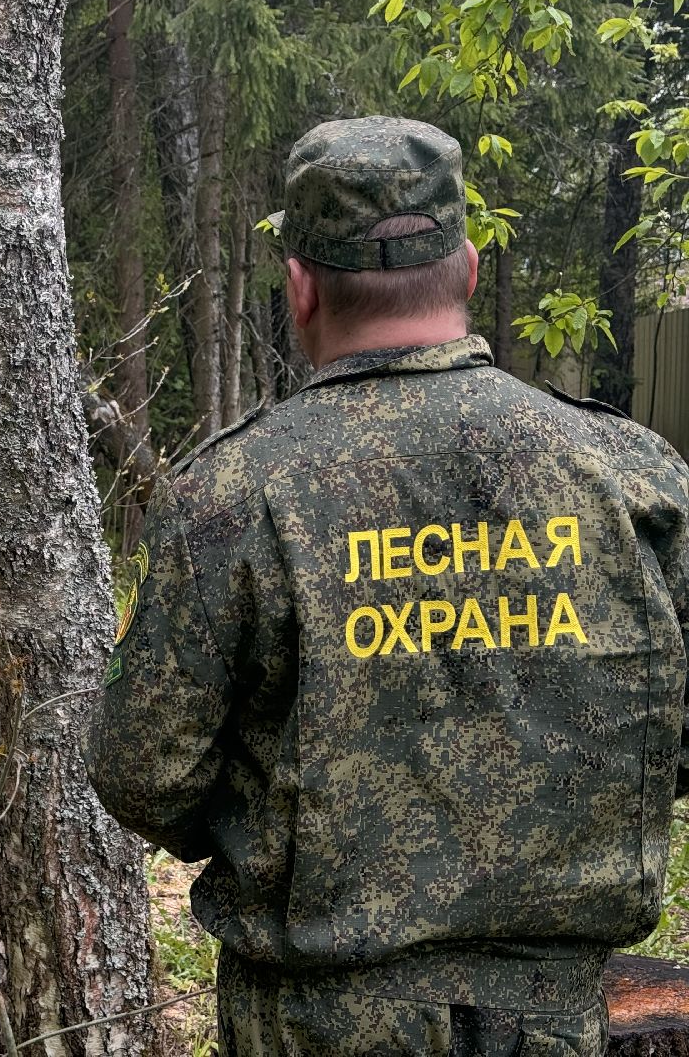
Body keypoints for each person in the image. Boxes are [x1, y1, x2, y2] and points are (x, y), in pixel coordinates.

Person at [83, 116, 689, 1056]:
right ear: (472, 268)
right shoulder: (629, 474)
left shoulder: (235, 493)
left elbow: (143, 774)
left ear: (299, 287)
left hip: (312, 1021)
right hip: (557, 1020)